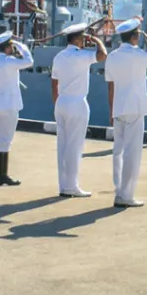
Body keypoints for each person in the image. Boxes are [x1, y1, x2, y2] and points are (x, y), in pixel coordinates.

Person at [105, 18, 147, 208]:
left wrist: (111, 110)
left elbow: (110, 87)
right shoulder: (138, 54)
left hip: (118, 108)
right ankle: (126, 195)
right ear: (135, 37)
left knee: (118, 151)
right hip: (135, 107)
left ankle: (119, 190)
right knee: (132, 153)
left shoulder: (112, 56)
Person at [52, 22, 107, 198]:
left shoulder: (59, 57)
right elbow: (103, 55)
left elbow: (54, 83)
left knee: (62, 146)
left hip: (61, 102)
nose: (84, 41)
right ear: (77, 39)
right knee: (75, 146)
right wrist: (96, 40)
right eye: (83, 38)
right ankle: (72, 186)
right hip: (76, 103)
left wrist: (57, 104)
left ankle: (63, 185)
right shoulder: (81, 56)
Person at [0, 31, 34, 186]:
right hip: (10, 105)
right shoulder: (10, 61)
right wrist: (20, 45)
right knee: (5, 140)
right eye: (11, 45)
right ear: (8, 47)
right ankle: (2, 175)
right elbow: (29, 61)